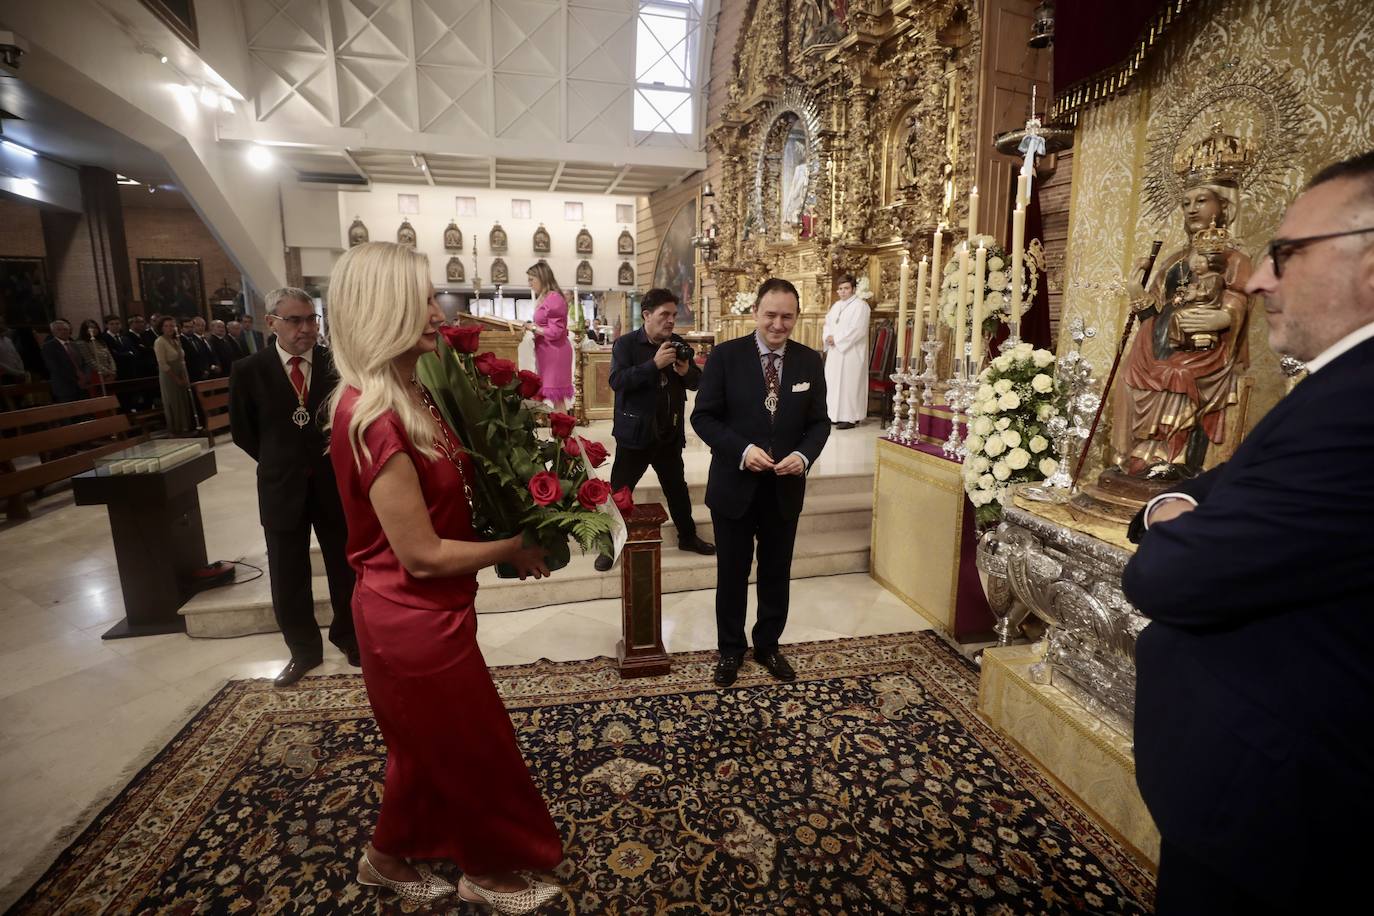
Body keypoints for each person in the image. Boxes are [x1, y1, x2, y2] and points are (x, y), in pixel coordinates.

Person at [1122, 151, 1374, 915]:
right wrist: (1178, 507)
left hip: (1279, 816)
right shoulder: (1335, 391)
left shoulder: (1357, 407)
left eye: (1287, 254)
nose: (1262, 277)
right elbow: (1219, 488)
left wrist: (1164, 515)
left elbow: (1168, 578)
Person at [326, 242, 563, 911]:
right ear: (387, 309)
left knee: (423, 747)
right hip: (410, 619)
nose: (439, 310)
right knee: (471, 748)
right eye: (424, 298)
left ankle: (384, 857)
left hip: (430, 611)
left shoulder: (412, 388)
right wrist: (512, 546)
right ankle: (486, 871)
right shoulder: (374, 416)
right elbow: (422, 554)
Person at [691, 278, 831, 687]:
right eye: (770, 315)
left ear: (796, 317)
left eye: (787, 316)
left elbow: (819, 422)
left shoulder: (809, 361)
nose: (778, 324)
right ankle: (730, 650)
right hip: (734, 487)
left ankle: (768, 644)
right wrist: (741, 450)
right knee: (732, 573)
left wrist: (804, 455)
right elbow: (703, 417)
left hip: (783, 490)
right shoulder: (724, 357)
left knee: (775, 571)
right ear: (755, 313)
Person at [229, 287, 358, 688]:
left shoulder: (334, 365)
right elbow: (244, 432)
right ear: (272, 323)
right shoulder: (249, 371)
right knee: (288, 572)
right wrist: (281, 463)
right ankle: (303, 648)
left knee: (344, 565)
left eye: (311, 319)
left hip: (331, 483)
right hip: (281, 486)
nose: (305, 329)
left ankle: (350, 638)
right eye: (295, 320)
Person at [595, 288, 715, 571]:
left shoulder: (677, 343)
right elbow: (617, 381)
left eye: (674, 315)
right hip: (634, 435)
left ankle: (687, 537)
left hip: (668, 434)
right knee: (620, 492)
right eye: (665, 315)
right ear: (647, 315)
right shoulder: (626, 345)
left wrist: (687, 372)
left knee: (677, 490)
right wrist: (654, 365)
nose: (671, 320)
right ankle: (608, 546)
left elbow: (697, 383)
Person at [821, 274, 870, 428]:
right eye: (840, 289)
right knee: (833, 383)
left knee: (850, 384)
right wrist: (828, 336)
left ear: (853, 289)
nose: (842, 292)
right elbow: (827, 323)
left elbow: (858, 330)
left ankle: (850, 417)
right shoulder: (836, 306)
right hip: (835, 352)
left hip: (851, 352)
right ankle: (833, 415)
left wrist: (837, 339)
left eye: (846, 288)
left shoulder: (861, 306)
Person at [523, 262, 574, 410]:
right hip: (547, 352)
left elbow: (555, 332)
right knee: (554, 399)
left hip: (555, 352)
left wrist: (532, 327)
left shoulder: (553, 298)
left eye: (531, 279)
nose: (529, 284)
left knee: (557, 399)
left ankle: (563, 432)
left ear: (542, 278)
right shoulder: (545, 298)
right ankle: (559, 431)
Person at [153, 316, 194, 434]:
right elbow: (162, 363)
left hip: (180, 372)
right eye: (166, 326)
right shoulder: (160, 341)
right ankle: (177, 429)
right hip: (169, 375)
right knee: (174, 400)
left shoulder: (176, 340)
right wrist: (176, 378)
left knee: (183, 400)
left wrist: (184, 376)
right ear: (161, 328)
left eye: (172, 325)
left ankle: (186, 426)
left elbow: (182, 359)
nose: (170, 328)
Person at [41, 319, 91, 403]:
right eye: (59, 330)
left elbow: (85, 362)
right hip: (65, 387)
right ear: (53, 332)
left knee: (86, 412)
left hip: (83, 386)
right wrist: (76, 381)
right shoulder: (49, 346)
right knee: (72, 413)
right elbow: (55, 368)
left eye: (65, 329)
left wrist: (86, 377)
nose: (63, 332)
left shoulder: (75, 344)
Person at [75, 318, 116, 392]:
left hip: (110, 374)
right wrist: (107, 372)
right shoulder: (82, 343)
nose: (93, 329)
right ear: (85, 330)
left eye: (95, 327)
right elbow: (90, 361)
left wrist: (113, 370)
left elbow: (110, 357)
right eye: (90, 328)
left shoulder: (101, 341)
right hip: (95, 374)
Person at [179, 317, 210, 383]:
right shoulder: (179, 341)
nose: (190, 329)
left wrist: (206, 370)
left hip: (204, 374)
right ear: (181, 328)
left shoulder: (197, 339)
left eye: (191, 327)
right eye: (186, 327)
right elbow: (186, 360)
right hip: (191, 375)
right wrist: (200, 372)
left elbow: (204, 356)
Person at [0, 316, 28, 384]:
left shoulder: (8, 340)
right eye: (1, 323)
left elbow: (17, 356)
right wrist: (16, 373)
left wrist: (21, 371)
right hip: (5, 377)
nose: (3, 324)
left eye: (3, 322)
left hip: (18, 375)